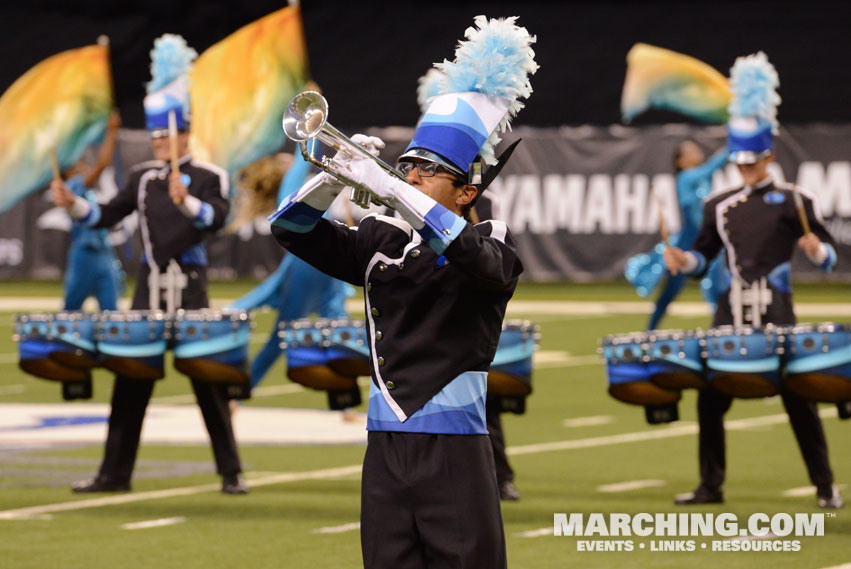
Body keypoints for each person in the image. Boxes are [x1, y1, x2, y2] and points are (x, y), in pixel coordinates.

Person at [269, 15, 535, 567]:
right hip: (384, 448)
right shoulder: (378, 241)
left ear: (466, 191)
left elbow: (466, 254)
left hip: (455, 451)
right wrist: (332, 178)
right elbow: (288, 230)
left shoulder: (493, 245)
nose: (409, 174)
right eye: (406, 165)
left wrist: (389, 185)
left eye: (426, 169)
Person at [51, 34, 247, 495]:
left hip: (191, 291)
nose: (159, 142)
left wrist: (187, 204)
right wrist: (74, 205)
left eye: (166, 134)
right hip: (148, 292)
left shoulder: (209, 176)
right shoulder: (141, 179)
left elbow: (215, 220)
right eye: (155, 135)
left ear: (185, 133)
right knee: (130, 382)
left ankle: (231, 473)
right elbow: (104, 215)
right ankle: (113, 474)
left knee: (208, 385)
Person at [664, 52, 843, 509]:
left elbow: (829, 257)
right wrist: (683, 261)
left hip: (776, 314)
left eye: (752, 163)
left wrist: (817, 252)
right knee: (709, 399)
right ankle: (711, 486)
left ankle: (825, 486)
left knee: (799, 402)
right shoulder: (719, 206)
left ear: (768, 156)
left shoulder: (793, 200)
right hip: (729, 314)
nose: (745, 170)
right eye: (740, 164)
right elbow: (703, 258)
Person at [626, 140, 727, 330]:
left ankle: (720, 332)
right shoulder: (686, 178)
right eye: (690, 151)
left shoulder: (702, 178)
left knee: (716, 290)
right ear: (680, 162)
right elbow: (713, 166)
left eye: (696, 148)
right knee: (670, 292)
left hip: (707, 241)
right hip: (687, 243)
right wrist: (735, 142)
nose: (697, 151)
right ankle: (650, 332)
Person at [61, 110, 125, 312]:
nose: (82, 165)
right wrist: (112, 132)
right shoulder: (71, 188)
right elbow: (101, 165)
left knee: (111, 310)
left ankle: (109, 344)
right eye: (78, 163)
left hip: (104, 252)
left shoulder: (87, 190)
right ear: (69, 170)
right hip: (84, 255)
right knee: (71, 310)